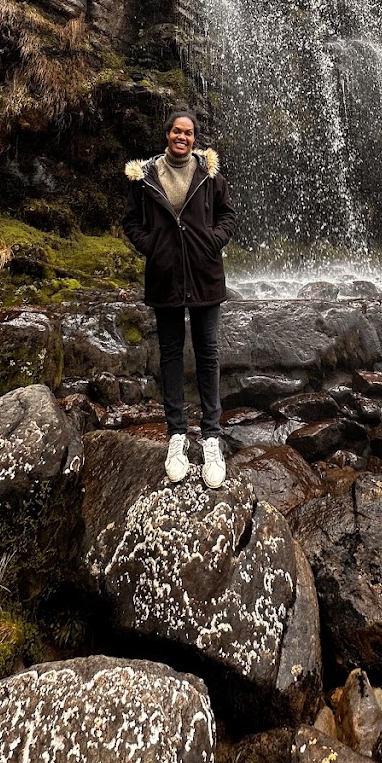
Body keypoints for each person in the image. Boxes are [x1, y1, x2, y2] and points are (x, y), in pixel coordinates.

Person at [122, 109, 236, 488]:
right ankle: (175, 436)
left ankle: (211, 437)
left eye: (188, 133)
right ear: (166, 134)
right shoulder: (145, 177)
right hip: (165, 277)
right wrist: (153, 247)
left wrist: (212, 242)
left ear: (195, 138)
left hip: (204, 276)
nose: (182, 137)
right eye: (176, 131)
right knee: (170, 354)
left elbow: (228, 216)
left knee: (208, 353)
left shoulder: (210, 172)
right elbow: (131, 223)